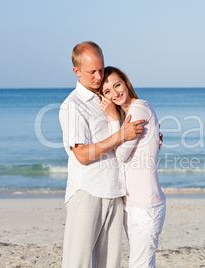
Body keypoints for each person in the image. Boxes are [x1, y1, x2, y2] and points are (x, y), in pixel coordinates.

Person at [59, 41, 145, 268]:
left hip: (115, 191)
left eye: (101, 69)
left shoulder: (107, 97)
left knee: (110, 264)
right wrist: (121, 135)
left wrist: (150, 138)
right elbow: (82, 155)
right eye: (91, 72)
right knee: (76, 263)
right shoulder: (73, 106)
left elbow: (126, 138)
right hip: (87, 192)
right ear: (76, 71)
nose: (98, 76)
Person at [100, 66, 166, 268]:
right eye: (107, 92)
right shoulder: (127, 115)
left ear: (126, 83)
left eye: (117, 85)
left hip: (146, 205)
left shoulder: (138, 108)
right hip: (133, 203)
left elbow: (121, 154)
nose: (115, 93)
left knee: (140, 264)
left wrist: (112, 119)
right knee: (143, 262)